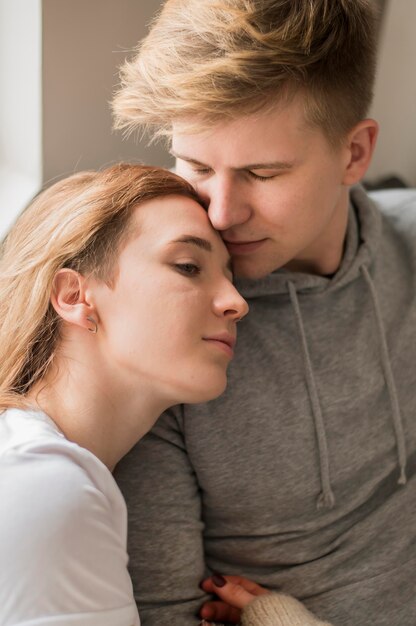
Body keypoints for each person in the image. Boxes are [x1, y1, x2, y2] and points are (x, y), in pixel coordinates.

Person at [111, 1, 416, 625]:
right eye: (196, 166)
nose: (221, 213)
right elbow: (167, 614)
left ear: (354, 154)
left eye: (262, 173)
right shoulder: (163, 333)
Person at [0, 163, 252, 625]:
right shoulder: (49, 489)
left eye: (230, 275)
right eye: (188, 267)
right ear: (75, 295)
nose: (237, 301)